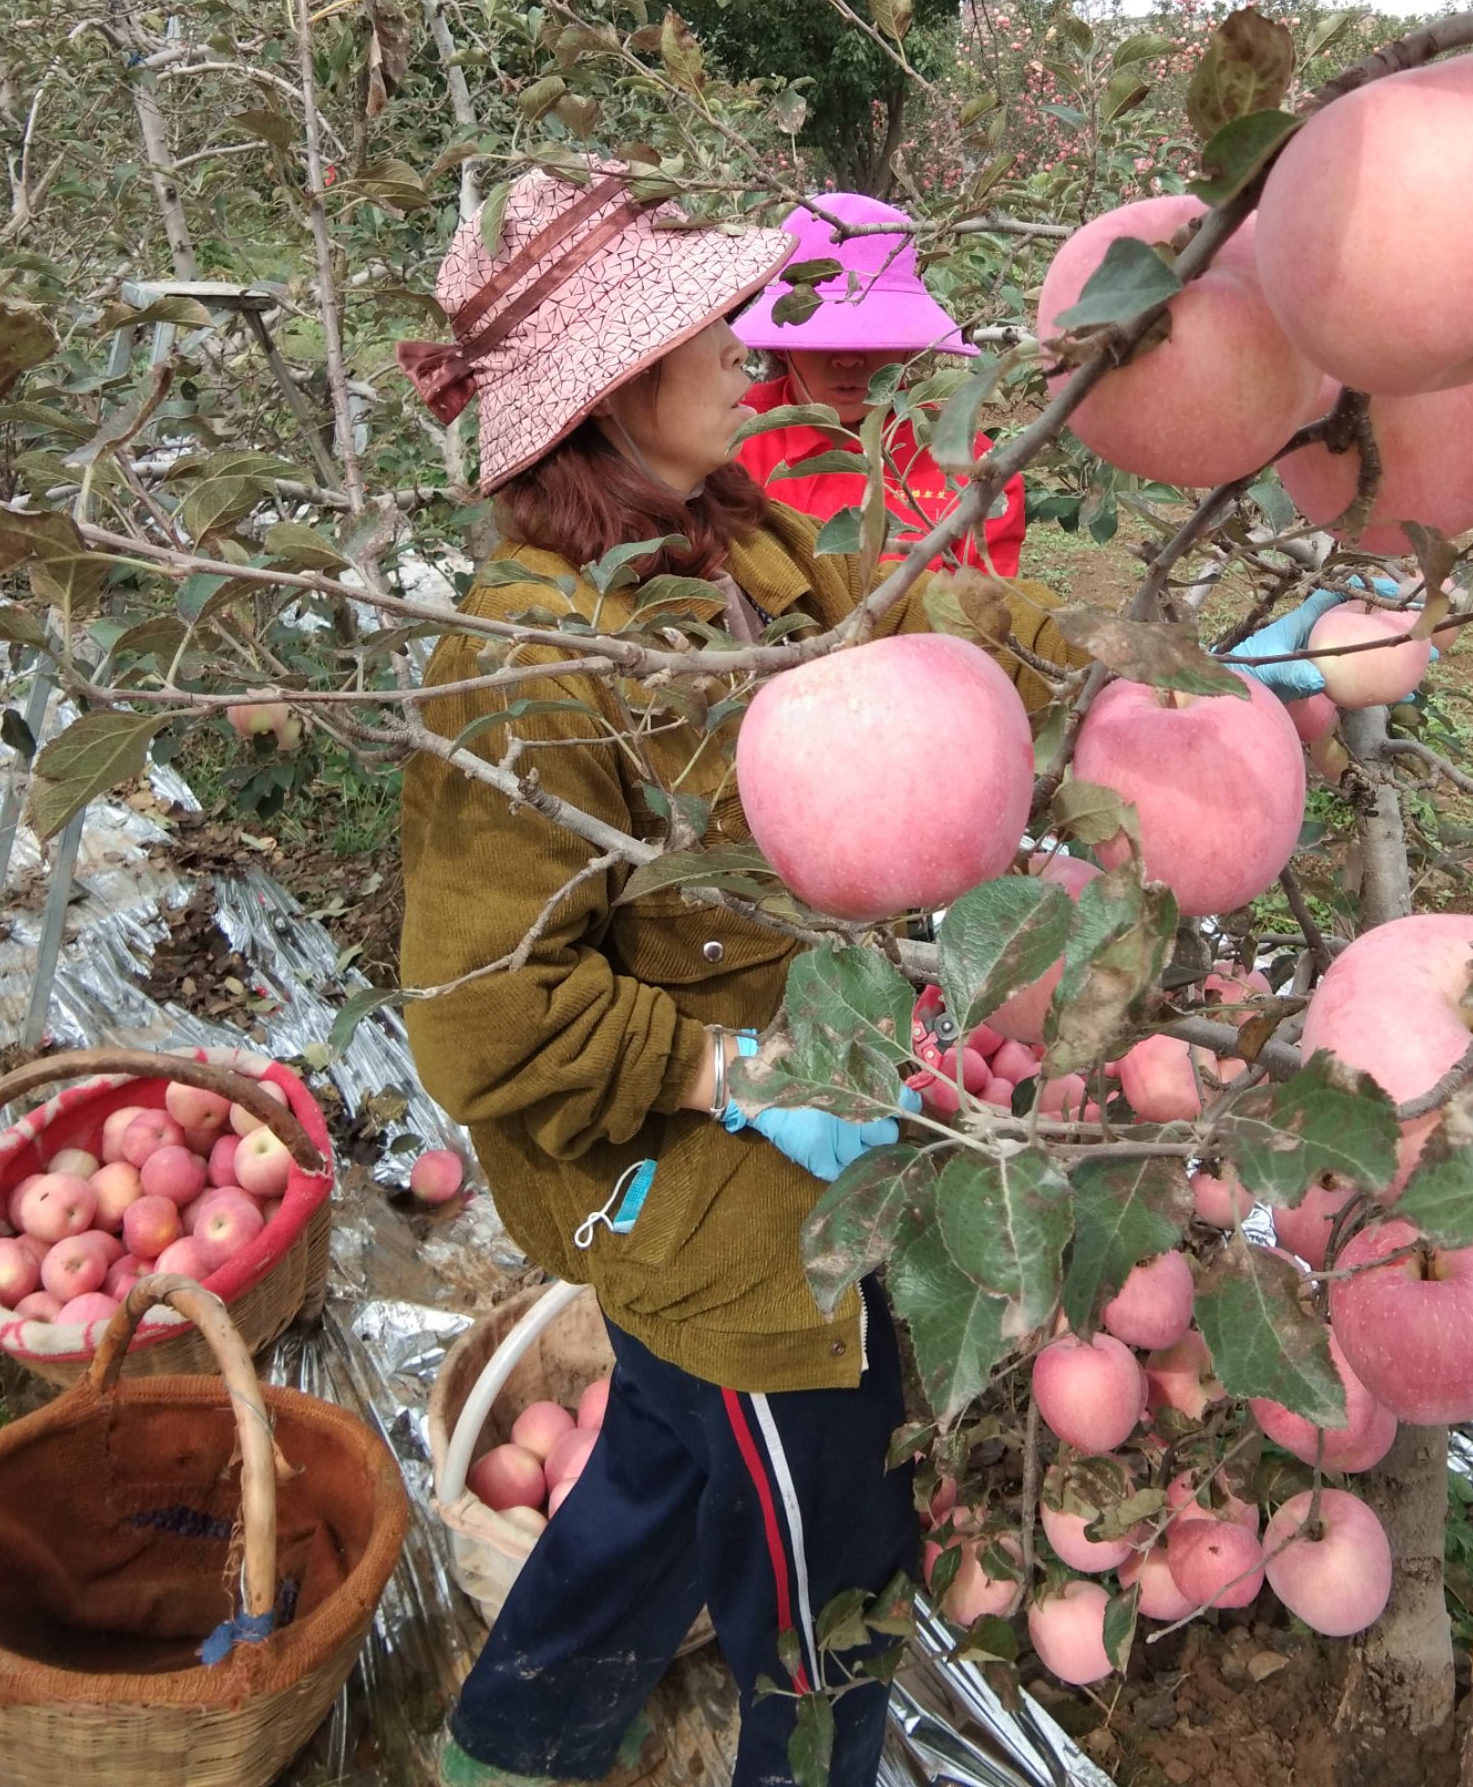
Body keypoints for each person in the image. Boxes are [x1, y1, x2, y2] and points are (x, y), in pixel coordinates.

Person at [394, 164, 1082, 1787]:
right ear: (609, 388)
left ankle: (511, 1733)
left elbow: (915, 630)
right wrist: (737, 1076)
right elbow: (483, 1011)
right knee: (832, 1558)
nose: (741, 339)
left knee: (653, 1450)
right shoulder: (528, 656)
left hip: (779, 1140)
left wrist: (1113, 656)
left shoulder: (743, 541)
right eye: (701, 323)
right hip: (724, 1219)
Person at [731, 193, 1027, 577]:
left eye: (874, 337)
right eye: (826, 337)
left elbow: (981, 616)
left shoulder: (974, 472)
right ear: (784, 347)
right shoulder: (728, 439)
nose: (850, 360)